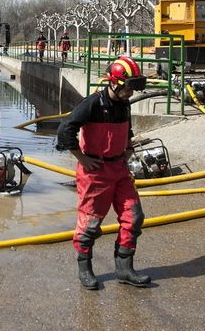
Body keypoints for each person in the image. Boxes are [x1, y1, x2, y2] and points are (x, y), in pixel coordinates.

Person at [55, 56, 151, 290]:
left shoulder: (124, 103)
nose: (130, 93)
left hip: (119, 168)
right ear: (115, 83)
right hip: (95, 172)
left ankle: (124, 269)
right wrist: (82, 158)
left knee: (134, 216)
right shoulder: (92, 104)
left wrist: (127, 147)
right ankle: (84, 268)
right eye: (128, 87)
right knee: (90, 224)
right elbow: (65, 130)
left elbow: (127, 128)